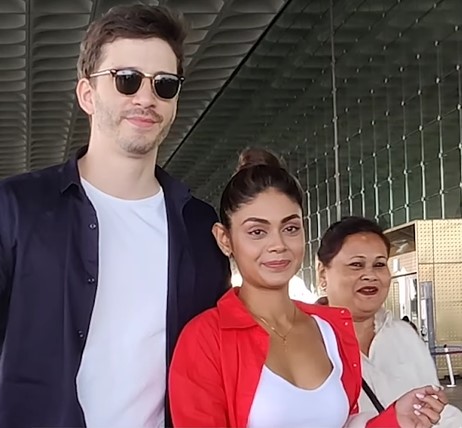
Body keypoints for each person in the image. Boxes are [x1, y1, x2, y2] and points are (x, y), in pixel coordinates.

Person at [0, 5, 229, 428]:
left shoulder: (199, 227)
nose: (146, 98)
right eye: (127, 79)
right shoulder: (17, 209)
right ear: (87, 94)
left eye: (164, 84)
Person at [169, 148, 447, 428]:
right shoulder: (205, 340)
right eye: (257, 232)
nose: (278, 245)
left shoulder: (331, 329)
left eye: (290, 228)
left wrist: (395, 419)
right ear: (225, 239)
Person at [318, 216, 462, 427]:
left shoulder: (404, 335)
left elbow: (437, 412)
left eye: (379, 264)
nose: (370, 275)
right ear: (323, 274)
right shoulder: (306, 341)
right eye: (356, 265)